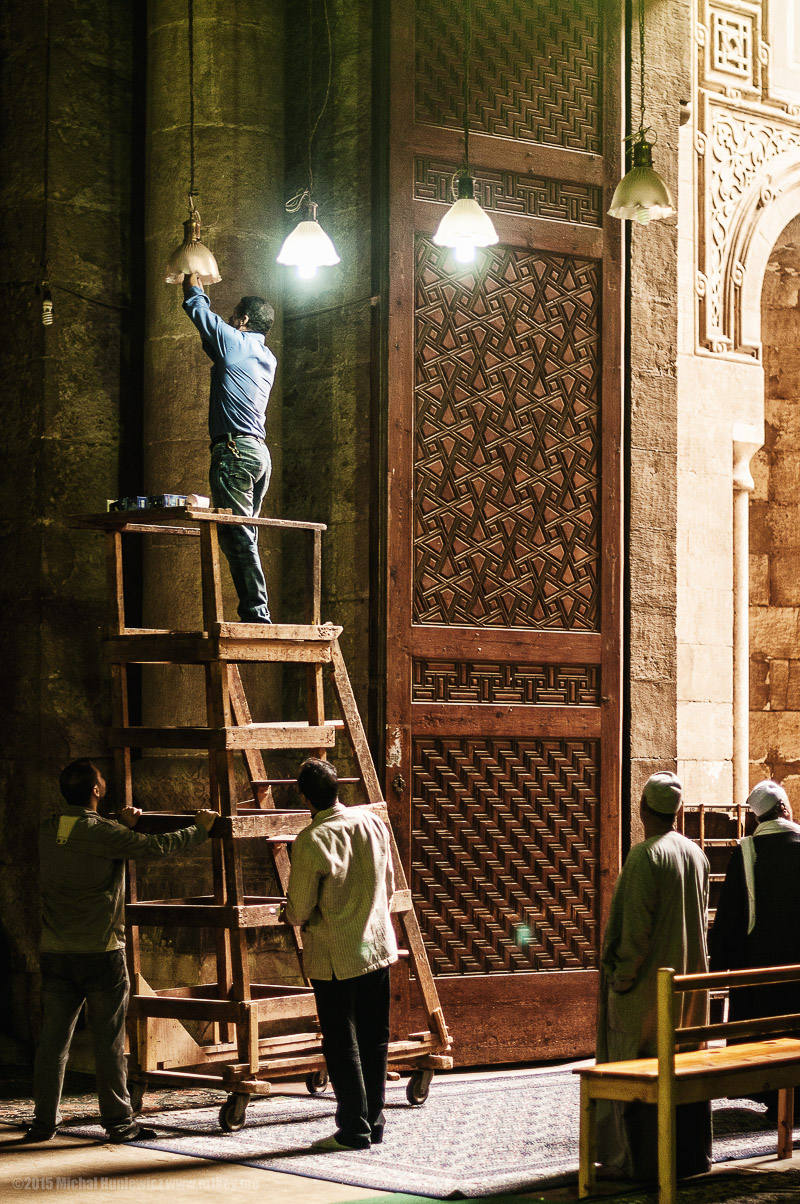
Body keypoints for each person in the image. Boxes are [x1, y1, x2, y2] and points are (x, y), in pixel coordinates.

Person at [26, 758, 217, 1143]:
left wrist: (117, 827)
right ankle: (118, 1123)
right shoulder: (102, 833)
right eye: (102, 781)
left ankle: (43, 1122)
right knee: (109, 1042)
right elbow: (156, 846)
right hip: (100, 953)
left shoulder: (49, 829)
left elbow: (87, 838)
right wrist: (199, 829)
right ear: (96, 791)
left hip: (56, 952)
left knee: (52, 1044)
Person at [595, 771, 712, 1182]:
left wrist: (621, 980)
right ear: (678, 811)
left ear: (643, 809)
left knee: (637, 1066)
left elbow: (636, 935)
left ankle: (637, 1160)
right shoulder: (696, 854)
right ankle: (688, 1156)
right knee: (682, 1065)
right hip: (688, 987)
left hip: (648, 991)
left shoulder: (645, 856)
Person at [284, 758, 398, 1151]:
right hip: (377, 945)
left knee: (341, 1041)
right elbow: (389, 884)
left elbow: (298, 910)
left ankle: (353, 1130)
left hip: (337, 956)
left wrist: (287, 911)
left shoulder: (311, 840)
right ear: (338, 788)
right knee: (374, 1037)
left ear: (304, 797)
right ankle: (374, 1122)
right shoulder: (373, 823)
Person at [182, 271, 277, 623]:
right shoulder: (265, 357)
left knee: (238, 536)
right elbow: (216, 347)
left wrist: (193, 285)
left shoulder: (236, 342)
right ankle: (257, 609)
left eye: (234, 315)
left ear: (244, 320)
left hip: (234, 452)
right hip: (258, 454)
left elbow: (201, 315)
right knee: (244, 534)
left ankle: (257, 613)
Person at [709, 779, 800, 1118]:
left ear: (758, 818)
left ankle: (775, 1100)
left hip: (761, 963)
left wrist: (721, 965)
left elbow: (731, 915)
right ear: (785, 808)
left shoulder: (747, 852)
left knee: (768, 1032)